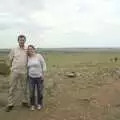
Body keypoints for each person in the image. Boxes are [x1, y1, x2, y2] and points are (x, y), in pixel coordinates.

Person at [6, 35, 29, 112]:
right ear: (18, 41)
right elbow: (10, 59)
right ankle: (10, 104)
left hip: (24, 72)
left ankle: (24, 101)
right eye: (20, 40)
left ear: (25, 41)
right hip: (14, 71)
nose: (22, 41)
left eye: (23, 40)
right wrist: (10, 68)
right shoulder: (14, 50)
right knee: (12, 87)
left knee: (24, 87)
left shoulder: (27, 49)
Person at [27, 45, 46, 111]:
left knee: (40, 91)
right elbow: (27, 67)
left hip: (39, 77)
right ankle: (32, 105)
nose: (30, 50)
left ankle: (39, 104)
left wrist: (43, 74)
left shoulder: (39, 56)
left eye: (31, 49)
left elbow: (44, 64)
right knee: (31, 92)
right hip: (31, 77)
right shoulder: (28, 57)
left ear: (34, 49)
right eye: (29, 49)